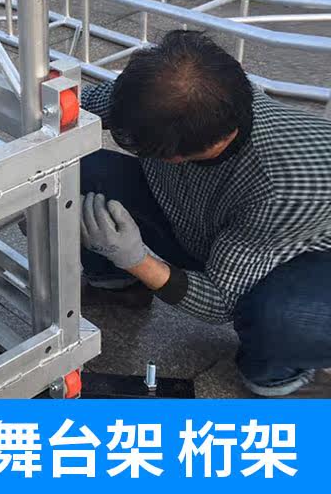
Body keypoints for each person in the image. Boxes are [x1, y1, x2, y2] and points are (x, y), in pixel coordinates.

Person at [79, 29, 331, 397]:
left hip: (305, 255)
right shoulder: (172, 91)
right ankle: (120, 290)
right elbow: (86, 105)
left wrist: (134, 258)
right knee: (82, 172)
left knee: (277, 319)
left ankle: (284, 375)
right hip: (212, 225)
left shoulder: (281, 184)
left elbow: (219, 303)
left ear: (176, 158)